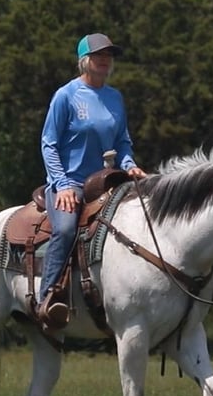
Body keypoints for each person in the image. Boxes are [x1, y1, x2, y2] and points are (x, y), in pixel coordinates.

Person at [37, 32, 146, 328]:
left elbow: (122, 142)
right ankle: (47, 298)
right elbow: (49, 143)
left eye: (108, 56)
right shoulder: (66, 96)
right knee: (66, 227)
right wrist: (60, 185)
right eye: (99, 55)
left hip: (106, 181)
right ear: (84, 60)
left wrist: (130, 165)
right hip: (70, 182)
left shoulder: (114, 97)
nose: (104, 60)